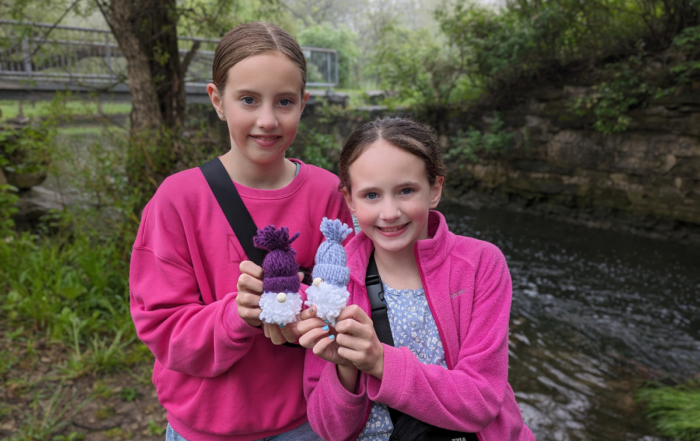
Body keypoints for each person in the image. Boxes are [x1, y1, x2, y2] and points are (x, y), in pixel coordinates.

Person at [129, 22, 352, 441]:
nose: (267, 120)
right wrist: (237, 314)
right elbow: (161, 329)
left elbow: (358, 293)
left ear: (303, 104)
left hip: (308, 421)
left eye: (284, 102)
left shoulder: (328, 194)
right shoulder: (177, 200)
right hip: (205, 427)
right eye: (248, 100)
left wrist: (311, 310)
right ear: (217, 100)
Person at [297, 117, 535, 440]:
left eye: (406, 190)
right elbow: (331, 430)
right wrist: (346, 368)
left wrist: (380, 362)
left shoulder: (480, 265)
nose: (390, 212)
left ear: (435, 189)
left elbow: (480, 401)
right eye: (371, 195)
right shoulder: (332, 282)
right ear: (349, 199)